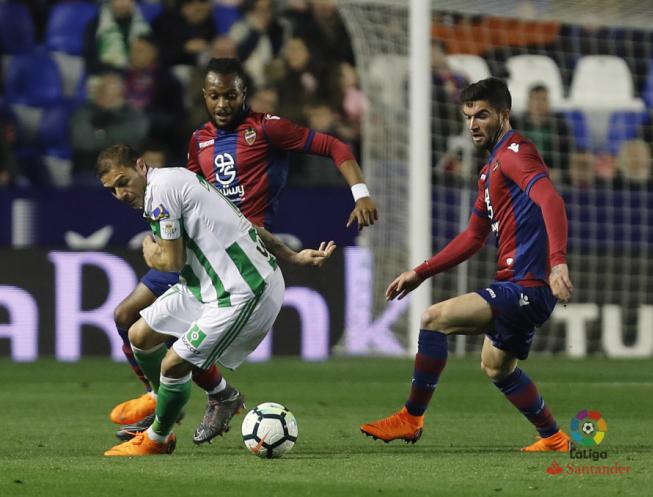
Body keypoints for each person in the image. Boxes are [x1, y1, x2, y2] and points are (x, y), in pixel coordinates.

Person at [110, 57, 378, 444]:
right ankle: (167, 398)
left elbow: (333, 145)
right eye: (215, 96)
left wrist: (361, 192)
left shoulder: (268, 129)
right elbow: (195, 196)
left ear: (243, 94)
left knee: (176, 342)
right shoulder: (198, 140)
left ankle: (188, 403)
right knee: (128, 318)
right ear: (204, 96)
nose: (222, 104)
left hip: (238, 251)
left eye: (230, 95)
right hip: (199, 247)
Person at [360, 78, 574, 452]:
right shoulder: (490, 170)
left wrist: (557, 263)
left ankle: (410, 418)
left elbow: (551, 201)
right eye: (468, 116)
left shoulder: (515, 153)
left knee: (432, 319)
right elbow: (473, 237)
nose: (473, 124)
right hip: (521, 286)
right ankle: (554, 438)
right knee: (496, 367)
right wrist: (419, 272)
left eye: (482, 115)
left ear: (504, 115)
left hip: (527, 285)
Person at [96, 144, 335, 456]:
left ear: (140, 166)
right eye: (112, 190)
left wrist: (153, 255)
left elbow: (172, 260)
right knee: (140, 335)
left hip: (242, 288)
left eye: (123, 182)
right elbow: (243, 224)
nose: (121, 194)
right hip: (204, 286)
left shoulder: (161, 193)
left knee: (174, 363)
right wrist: (291, 255)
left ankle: (157, 439)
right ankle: (180, 403)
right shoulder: (175, 181)